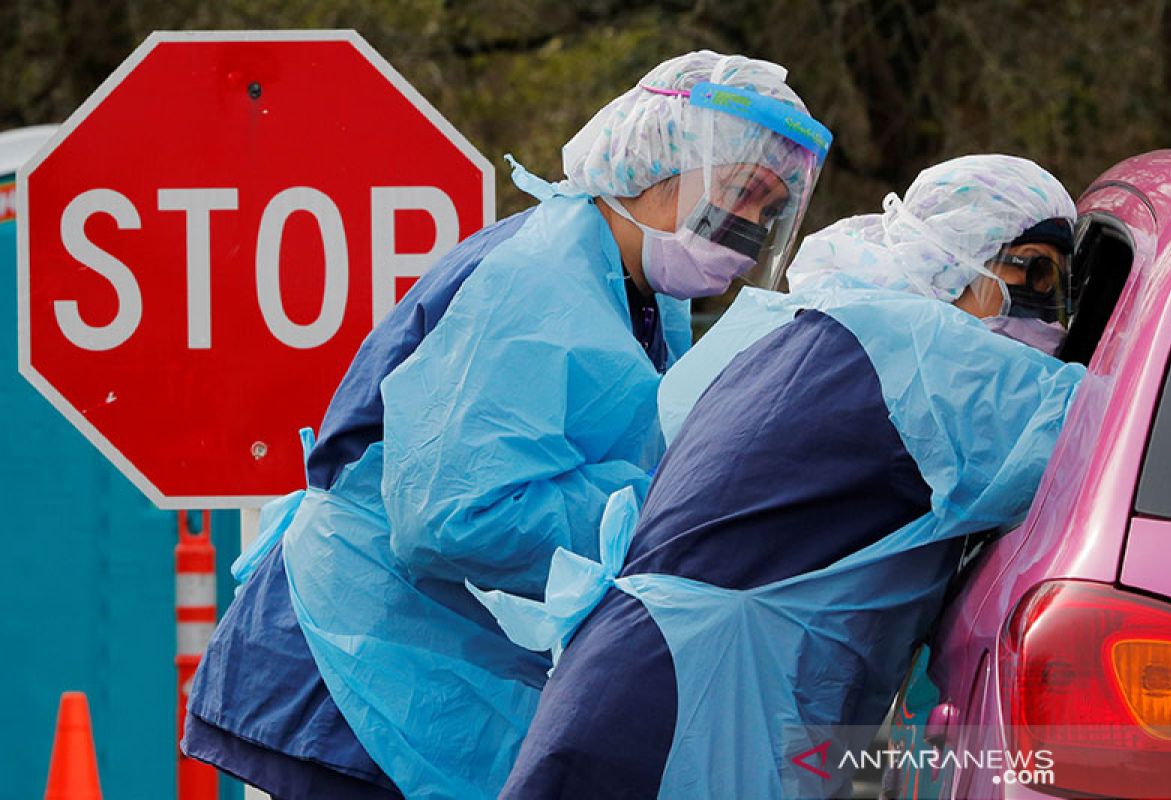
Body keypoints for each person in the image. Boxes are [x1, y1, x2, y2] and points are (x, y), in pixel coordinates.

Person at [182, 51, 831, 800]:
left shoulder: (636, 288)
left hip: (412, 660)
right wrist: (646, 515)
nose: (750, 229)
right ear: (658, 159)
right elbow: (453, 514)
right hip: (353, 663)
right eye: (741, 192)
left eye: (770, 210)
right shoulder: (538, 280)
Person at [471, 154, 1086, 799]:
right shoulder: (926, 355)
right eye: (1034, 271)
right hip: (689, 700)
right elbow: (1114, 429)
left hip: (665, 678)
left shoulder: (842, 322)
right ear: (958, 254)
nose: (1056, 316)